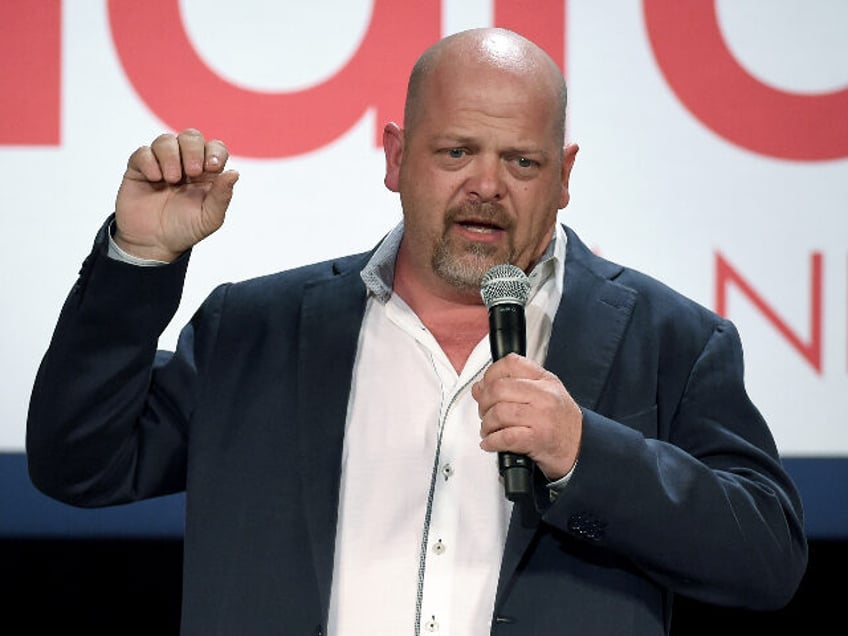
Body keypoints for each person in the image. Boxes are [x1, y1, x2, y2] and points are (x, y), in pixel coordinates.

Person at [27, 27, 807, 636]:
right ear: (397, 158)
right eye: (457, 151)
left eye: (523, 163)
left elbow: (767, 558)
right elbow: (81, 463)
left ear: (565, 176)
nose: (487, 186)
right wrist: (139, 258)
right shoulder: (257, 331)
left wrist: (585, 455)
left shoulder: (669, 340)